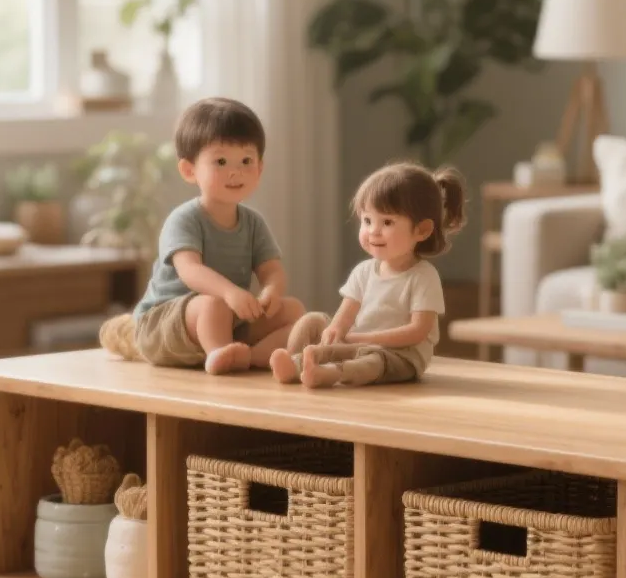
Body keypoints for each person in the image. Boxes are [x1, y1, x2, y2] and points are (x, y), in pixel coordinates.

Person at [123, 97, 319, 374]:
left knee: (293, 310)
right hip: (165, 324)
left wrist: (271, 291)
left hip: (227, 319)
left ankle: (247, 355)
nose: (235, 171)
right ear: (189, 170)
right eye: (221, 161)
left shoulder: (253, 223)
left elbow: (272, 270)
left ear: (260, 168)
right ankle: (217, 353)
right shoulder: (184, 219)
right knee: (213, 304)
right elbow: (190, 271)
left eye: (246, 160)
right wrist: (230, 292)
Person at [271, 162, 464, 389]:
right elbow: (345, 314)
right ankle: (296, 364)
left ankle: (329, 373)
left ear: (421, 230)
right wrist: (336, 330)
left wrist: (363, 339)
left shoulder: (423, 277)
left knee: (372, 362)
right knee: (312, 320)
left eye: (387, 222)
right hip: (356, 341)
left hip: (399, 355)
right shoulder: (364, 271)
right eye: (367, 220)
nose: (373, 231)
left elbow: (417, 332)